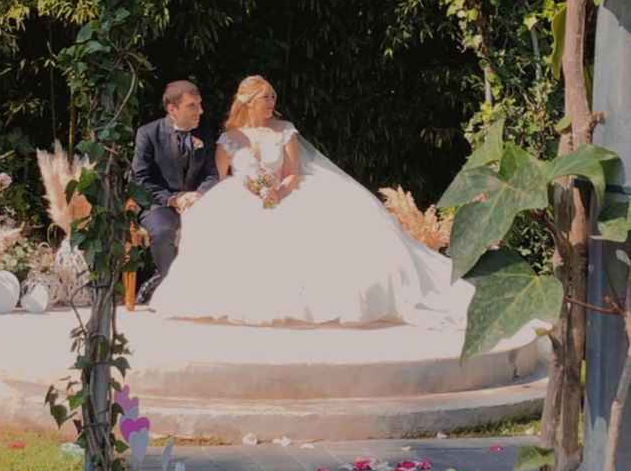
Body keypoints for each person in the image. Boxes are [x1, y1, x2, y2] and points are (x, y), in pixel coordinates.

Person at [153, 74, 473, 328]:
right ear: (250, 102)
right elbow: (221, 177)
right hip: (241, 196)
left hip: (284, 192)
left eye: (274, 97)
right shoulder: (228, 138)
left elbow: (293, 172)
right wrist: (248, 189)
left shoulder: (285, 131)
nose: (272, 103)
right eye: (266, 97)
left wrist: (278, 190)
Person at [131, 79, 219, 304]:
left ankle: (195, 289)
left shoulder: (205, 133)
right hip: (159, 205)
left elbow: (212, 174)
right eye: (192, 106)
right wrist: (172, 199)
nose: (200, 110)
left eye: (199, 104)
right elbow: (139, 180)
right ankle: (173, 293)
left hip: (195, 203)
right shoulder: (148, 133)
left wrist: (198, 195)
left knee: (224, 224)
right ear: (172, 109)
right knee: (162, 231)